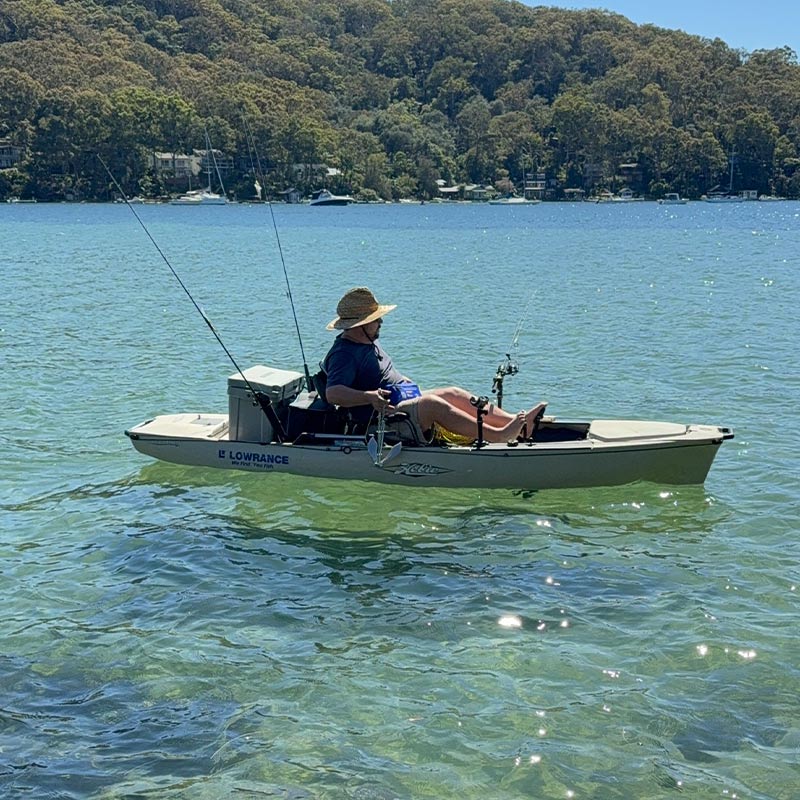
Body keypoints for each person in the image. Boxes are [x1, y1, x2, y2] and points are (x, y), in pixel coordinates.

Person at [323, 287, 546, 444]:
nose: (380, 322)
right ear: (358, 326)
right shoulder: (344, 353)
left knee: (452, 393)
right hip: (380, 419)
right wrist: (370, 396)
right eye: (375, 319)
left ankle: (520, 425)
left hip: (401, 399)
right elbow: (333, 393)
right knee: (431, 404)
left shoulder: (368, 340)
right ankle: (498, 435)